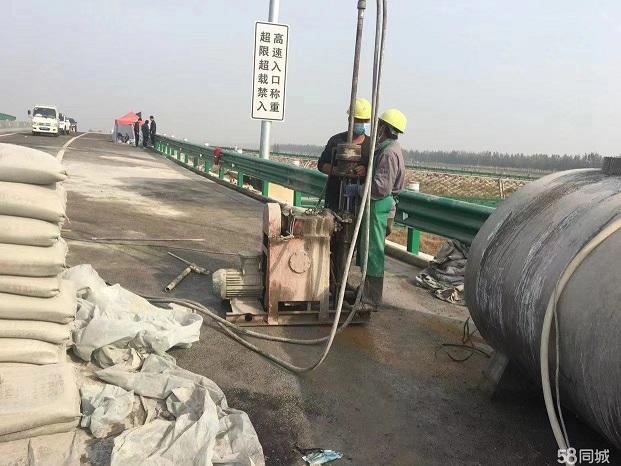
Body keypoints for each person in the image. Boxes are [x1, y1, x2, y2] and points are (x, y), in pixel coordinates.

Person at [350, 108, 406, 309]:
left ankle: (371, 298)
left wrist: (358, 190)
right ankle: (366, 290)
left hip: (378, 204)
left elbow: (380, 188)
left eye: (380, 125)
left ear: (385, 128)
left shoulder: (389, 153)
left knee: (373, 251)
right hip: (376, 205)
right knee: (368, 248)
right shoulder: (387, 148)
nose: (377, 128)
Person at [317, 98, 372, 211]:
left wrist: (366, 171)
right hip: (335, 199)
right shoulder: (336, 141)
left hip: (359, 203)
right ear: (350, 119)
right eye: (359, 120)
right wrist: (337, 170)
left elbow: (378, 173)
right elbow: (321, 165)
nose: (362, 124)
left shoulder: (372, 145)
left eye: (365, 121)